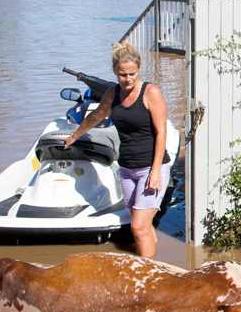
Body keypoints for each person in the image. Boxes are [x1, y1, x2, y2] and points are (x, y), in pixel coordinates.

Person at [64, 43, 170, 259]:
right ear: (115, 72)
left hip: (151, 167)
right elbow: (96, 116)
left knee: (138, 227)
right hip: (127, 168)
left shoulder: (151, 93)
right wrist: (75, 136)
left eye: (132, 74)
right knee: (142, 225)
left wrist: (156, 171)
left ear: (138, 70)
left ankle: (146, 277)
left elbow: (161, 133)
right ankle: (157, 266)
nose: (128, 79)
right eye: (123, 75)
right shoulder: (113, 94)